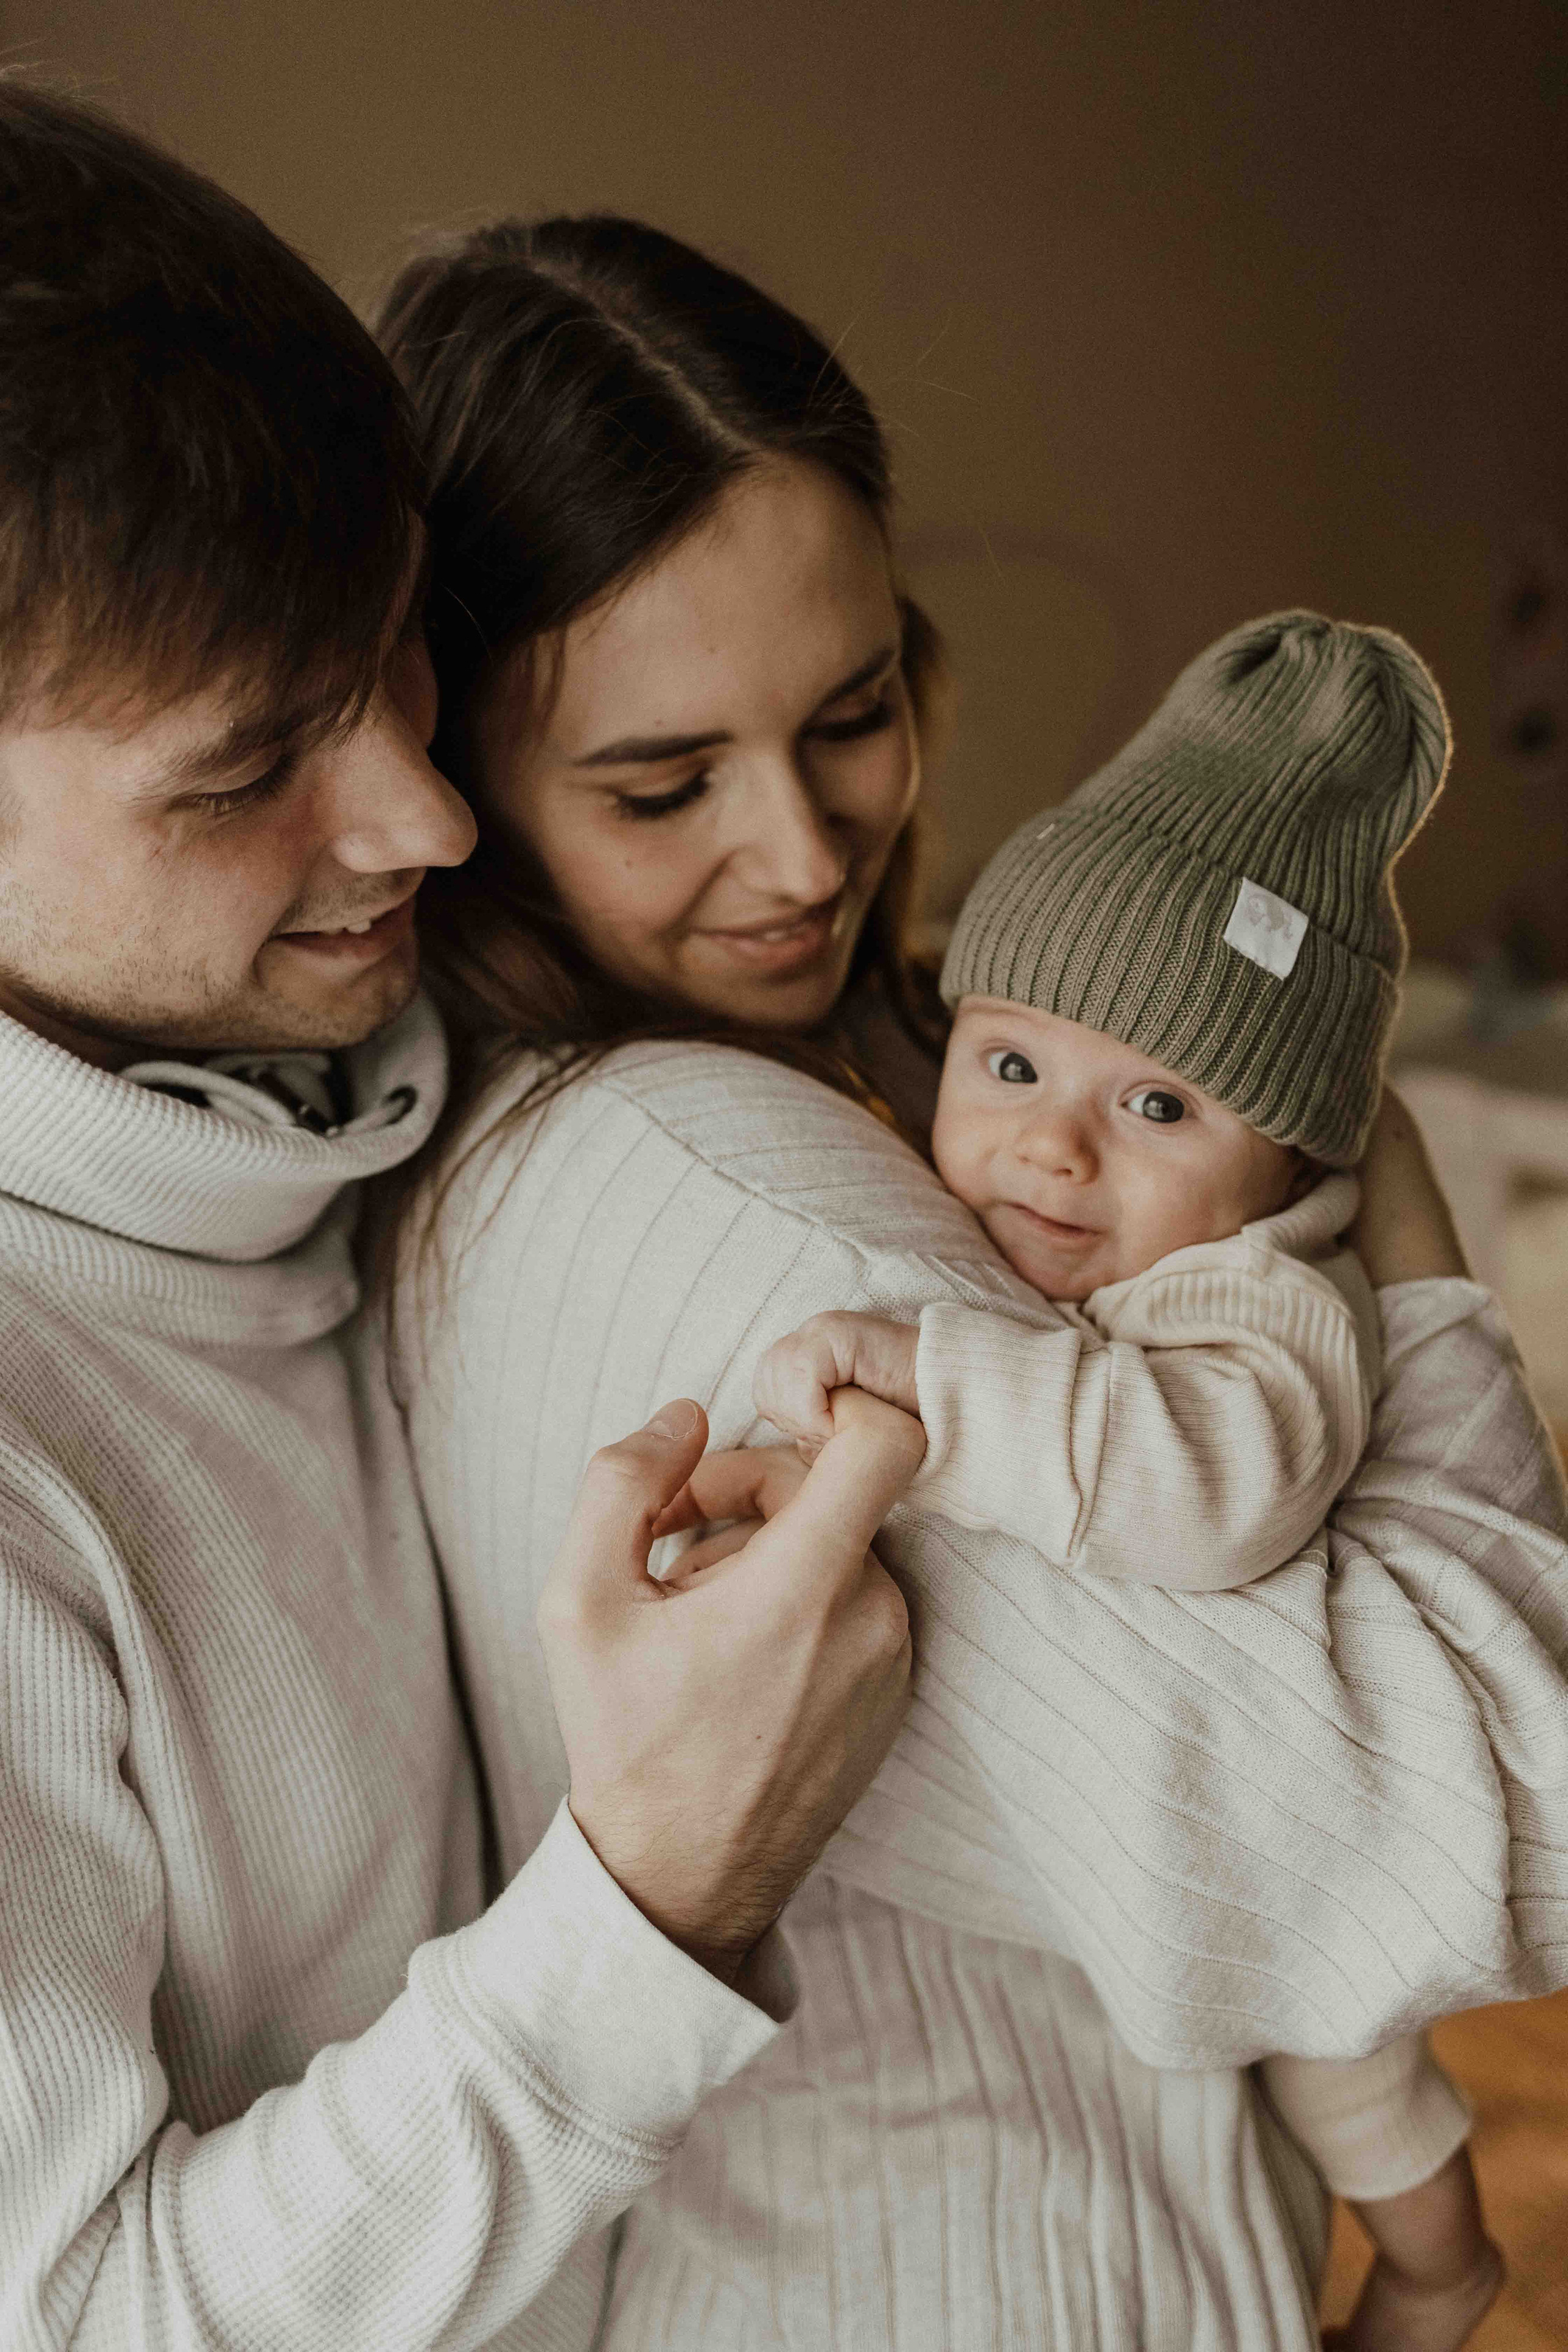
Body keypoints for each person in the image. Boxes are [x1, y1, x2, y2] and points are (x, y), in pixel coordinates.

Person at [383, 215, 1568, 2348]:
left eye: (850, 716)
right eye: (662, 784)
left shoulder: (912, 1065)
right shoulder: (688, 1187)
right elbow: (1485, 1817)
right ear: (455, 778)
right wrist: (1398, 1231)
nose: (807, 856)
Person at [0, 88, 920, 2350]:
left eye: (395, 653)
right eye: (241, 773)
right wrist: (659, 1888)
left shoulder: (373, 1111)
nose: (421, 813)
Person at [755, 609, 1506, 2352]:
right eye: (1011, 1064)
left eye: (1160, 1107)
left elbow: (1204, 1493)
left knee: (1346, 2056)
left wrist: (940, 1383)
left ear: (1297, 1159)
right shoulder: (1050, 1215)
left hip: (1309, 1824)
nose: (1051, 1142)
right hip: (1177, 1789)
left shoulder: (1270, 1305)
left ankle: (1443, 2267)